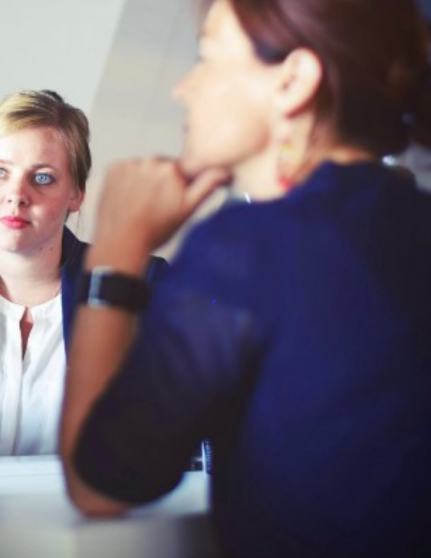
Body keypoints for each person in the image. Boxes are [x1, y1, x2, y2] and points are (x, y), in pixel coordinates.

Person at [60, 1, 431, 557]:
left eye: (206, 58)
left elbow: (99, 483)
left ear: (293, 80)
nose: (183, 89)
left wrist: (117, 245)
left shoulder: (246, 249)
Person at [0, 90, 167, 456]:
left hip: (90, 512)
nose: (17, 194)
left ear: (76, 194)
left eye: (42, 178)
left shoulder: (139, 286)